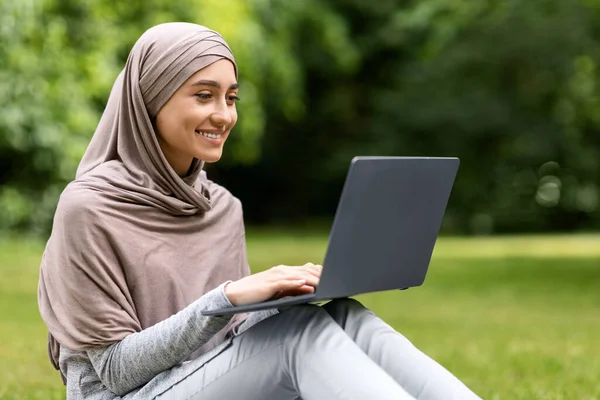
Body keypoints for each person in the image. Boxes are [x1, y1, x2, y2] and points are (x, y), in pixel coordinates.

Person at [38, 22, 481, 400]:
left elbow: (235, 346)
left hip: (198, 382)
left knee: (343, 315)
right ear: (149, 101)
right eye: (203, 95)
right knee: (298, 336)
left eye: (231, 98)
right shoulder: (89, 208)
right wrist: (228, 298)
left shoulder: (222, 207)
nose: (223, 115)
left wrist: (278, 297)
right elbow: (114, 371)